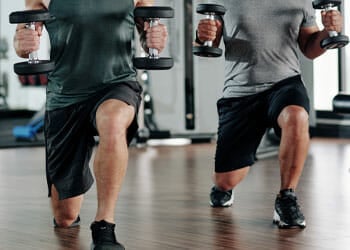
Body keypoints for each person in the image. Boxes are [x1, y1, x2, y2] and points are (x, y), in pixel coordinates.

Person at [14, 0, 168, 249]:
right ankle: (75, 185)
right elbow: (24, 35)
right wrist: (21, 43)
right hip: (65, 95)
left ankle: (104, 225)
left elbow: (149, 31)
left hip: (116, 83)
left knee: (113, 121)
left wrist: (156, 39)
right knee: (65, 216)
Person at [195, 0, 344, 228]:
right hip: (240, 91)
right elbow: (208, 43)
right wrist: (201, 34)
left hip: (284, 84)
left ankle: (286, 197)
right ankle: (223, 188)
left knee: (297, 116)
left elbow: (309, 48)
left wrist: (327, 32)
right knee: (226, 181)